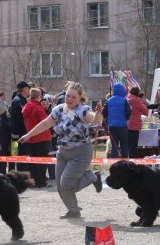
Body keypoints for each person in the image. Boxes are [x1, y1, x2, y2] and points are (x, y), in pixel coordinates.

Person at [19, 82, 103, 219]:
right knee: (60, 184)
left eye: (73, 97)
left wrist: (98, 113)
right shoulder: (58, 110)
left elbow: (94, 119)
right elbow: (45, 124)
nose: (70, 99)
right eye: (68, 96)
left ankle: (92, 177)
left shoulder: (83, 110)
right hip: (63, 152)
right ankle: (73, 210)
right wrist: (28, 135)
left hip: (80, 152)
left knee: (67, 183)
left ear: (80, 98)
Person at [22, 88, 51, 188]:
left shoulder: (26, 106)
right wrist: (45, 109)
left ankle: (33, 182)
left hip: (31, 137)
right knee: (42, 162)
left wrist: (44, 109)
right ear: (39, 96)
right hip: (42, 137)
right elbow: (46, 122)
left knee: (33, 162)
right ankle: (41, 182)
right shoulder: (38, 108)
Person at [102, 83, 132, 158]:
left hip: (112, 126)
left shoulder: (108, 100)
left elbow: (103, 112)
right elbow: (129, 112)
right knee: (124, 146)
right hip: (122, 126)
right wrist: (126, 118)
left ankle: (114, 166)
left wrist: (108, 119)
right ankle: (125, 165)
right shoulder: (124, 100)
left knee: (114, 147)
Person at [10, 81, 32, 172]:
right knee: (21, 155)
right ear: (25, 89)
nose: (29, 91)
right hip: (20, 133)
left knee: (22, 154)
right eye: (28, 89)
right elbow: (21, 118)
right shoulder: (18, 101)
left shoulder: (21, 100)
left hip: (20, 132)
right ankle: (22, 175)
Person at [126, 86, 149, 158]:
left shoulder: (126, 99)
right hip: (135, 125)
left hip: (126, 124)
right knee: (133, 145)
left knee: (127, 144)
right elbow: (145, 111)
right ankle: (131, 160)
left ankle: (126, 159)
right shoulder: (136, 100)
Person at [0, 90, 12, 174]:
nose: (1, 98)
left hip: (7, 135)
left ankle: (6, 173)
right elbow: (1, 121)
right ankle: (1, 173)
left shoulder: (5, 105)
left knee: (8, 155)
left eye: (2, 96)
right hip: (0, 135)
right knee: (0, 157)